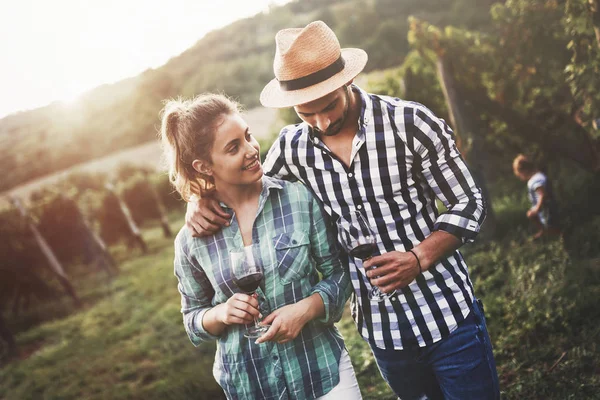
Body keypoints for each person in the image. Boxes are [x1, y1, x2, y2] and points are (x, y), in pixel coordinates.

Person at [186, 21, 499, 399]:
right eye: (306, 113)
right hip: (385, 336)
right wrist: (200, 197)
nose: (321, 122)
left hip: (449, 318)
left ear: (346, 80)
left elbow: (470, 201)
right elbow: (249, 188)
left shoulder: (410, 124)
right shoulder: (292, 147)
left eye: (329, 105)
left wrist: (417, 258)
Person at [160, 93, 360, 400]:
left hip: (321, 372)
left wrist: (306, 309)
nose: (252, 150)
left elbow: (341, 273)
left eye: (248, 136)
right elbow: (192, 319)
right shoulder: (192, 240)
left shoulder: (298, 198)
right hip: (250, 386)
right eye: (233, 147)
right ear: (203, 166)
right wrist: (221, 313)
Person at [512, 154, 560, 240]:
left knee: (551, 225)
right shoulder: (539, 176)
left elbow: (542, 194)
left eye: (520, 175)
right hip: (546, 207)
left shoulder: (535, 180)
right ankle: (544, 232)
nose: (520, 177)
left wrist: (537, 208)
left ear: (524, 171)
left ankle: (556, 238)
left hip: (546, 208)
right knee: (539, 219)